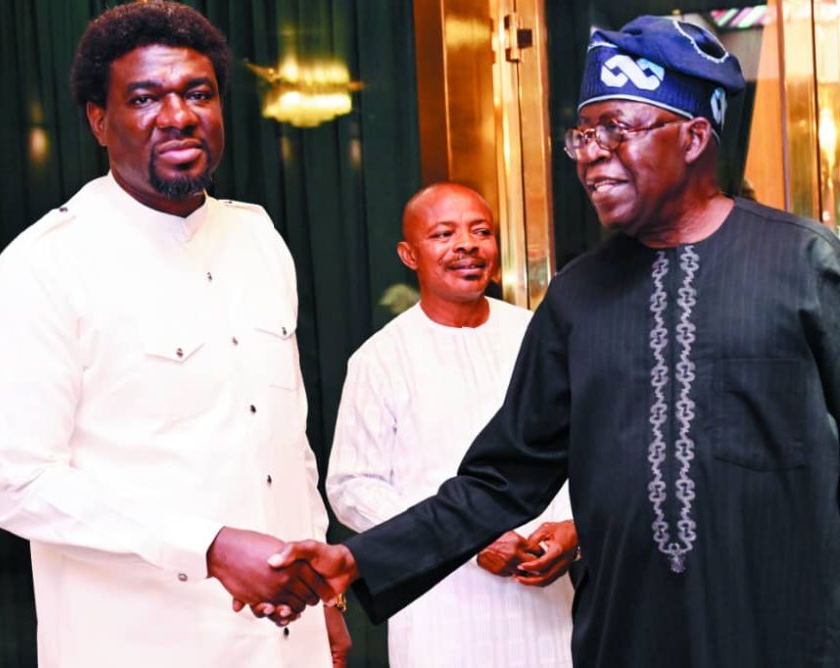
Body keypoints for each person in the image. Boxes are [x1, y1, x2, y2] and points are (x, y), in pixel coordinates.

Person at [269, 15, 840, 667]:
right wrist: (356, 558)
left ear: (692, 137)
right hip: (626, 640)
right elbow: (501, 479)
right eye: (584, 135)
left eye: (617, 131)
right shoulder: (578, 296)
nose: (593, 154)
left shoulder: (805, 265)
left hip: (787, 633)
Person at [0, 2, 348, 666]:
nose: (177, 115)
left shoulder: (258, 237)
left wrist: (325, 597)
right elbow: (20, 484)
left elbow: (285, 439)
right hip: (141, 643)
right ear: (99, 119)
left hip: (286, 640)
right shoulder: (43, 267)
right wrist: (206, 544)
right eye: (145, 97)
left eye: (197, 93)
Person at [326, 183, 575, 667]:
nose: (466, 245)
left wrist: (572, 529)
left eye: (480, 231)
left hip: (546, 600)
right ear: (409, 254)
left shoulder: (537, 336)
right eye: (444, 233)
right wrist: (463, 538)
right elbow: (351, 486)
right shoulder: (381, 357)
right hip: (441, 605)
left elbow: (580, 450)